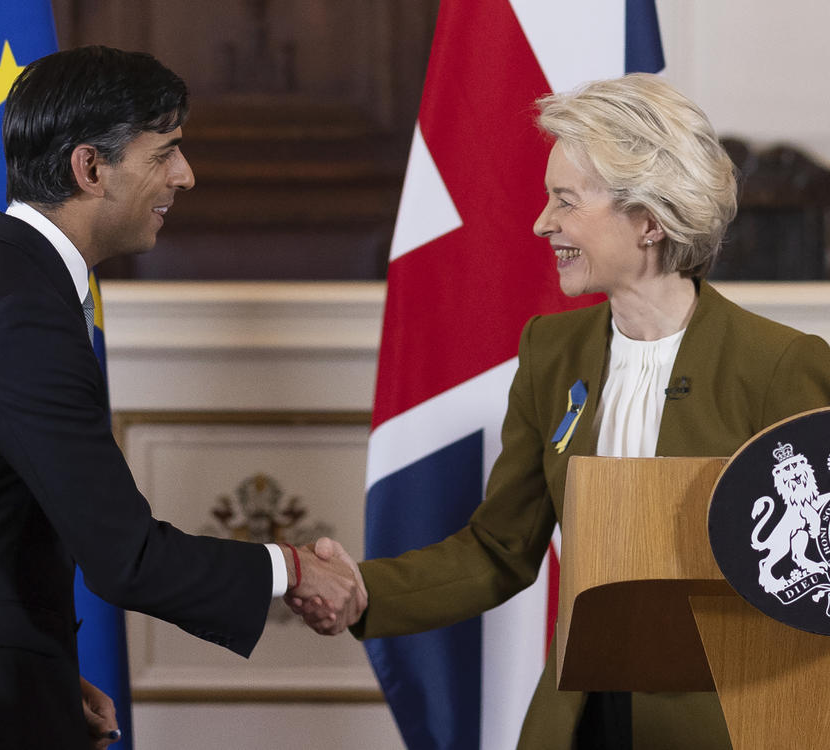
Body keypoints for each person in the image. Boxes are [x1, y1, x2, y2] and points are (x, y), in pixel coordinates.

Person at [0, 45, 365, 750]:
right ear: (89, 168)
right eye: (166, 151)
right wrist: (291, 566)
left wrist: (42, 675)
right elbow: (127, 558)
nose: (186, 175)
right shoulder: (18, 308)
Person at [293, 73, 830, 749]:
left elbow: (817, 574)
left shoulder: (780, 365)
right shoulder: (551, 352)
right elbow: (500, 549)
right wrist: (363, 590)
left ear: (649, 220)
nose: (543, 223)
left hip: (727, 727)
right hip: (577, 723)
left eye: (566, 201)